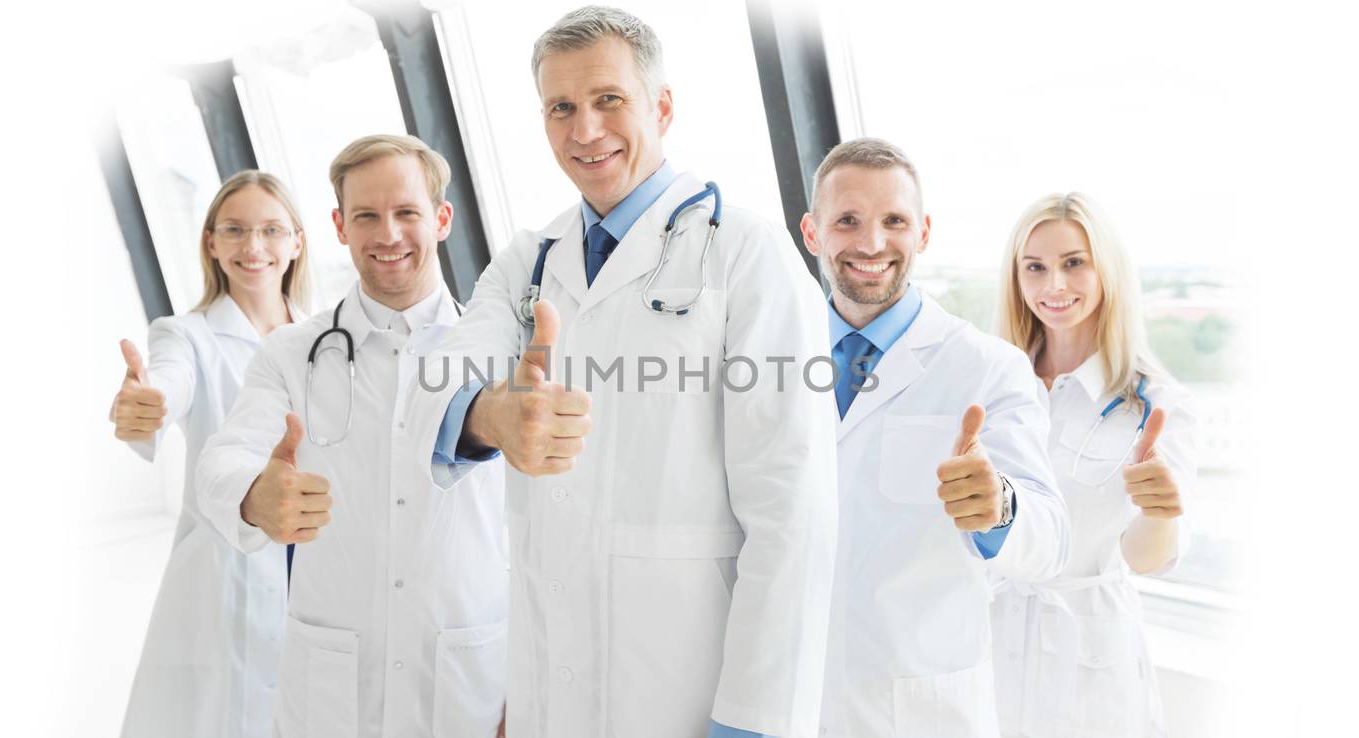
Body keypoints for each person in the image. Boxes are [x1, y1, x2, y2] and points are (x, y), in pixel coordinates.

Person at [401, 6, 837, 738]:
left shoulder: (747, 255)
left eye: (609, 101)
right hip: (553, 681)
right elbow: (441, 372)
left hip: (692, 687)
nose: (585, 130)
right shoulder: (529, 259)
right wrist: (492, 417)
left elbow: (794, 506)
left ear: (661, 108)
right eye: (561, 108)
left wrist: (756, 719)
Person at [194, 135, 509, 738]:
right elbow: (223, 458)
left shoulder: (501, 355)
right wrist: (254, 494)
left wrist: (527, 689)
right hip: (332, 688)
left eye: (406, 213)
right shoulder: (290, 353)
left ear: (442, 219)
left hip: (470, 678)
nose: (387, 234)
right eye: (366, 215)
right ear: (340, 226)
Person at [797, 138, 1069, 738]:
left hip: (920, 711)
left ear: (922, 232)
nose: (871, 244)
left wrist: (999, 507)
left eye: (893, 221)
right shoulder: (766, 360)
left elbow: (1049, 543)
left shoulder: (986, 367)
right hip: (790, 702)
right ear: (813, 234)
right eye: (847, 221)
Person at [989, 193, 1197, 738]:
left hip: (1092, 662)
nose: (1053, 285)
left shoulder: (1158, 406)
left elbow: (1145, 558)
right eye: (1035, 268)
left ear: (1107, 271)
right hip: (990, 640)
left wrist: (1161, 510)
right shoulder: (993, 387)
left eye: (1073, 263)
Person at [110, 169, 310, 738]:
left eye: (271, 230)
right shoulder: (185, 334)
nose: (254, 247)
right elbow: (168, 384)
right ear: (212, 243)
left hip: (312, 566)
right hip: (225, 573)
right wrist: (146, 404)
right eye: (235, 230)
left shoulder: (326, 335)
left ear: (296, 241)